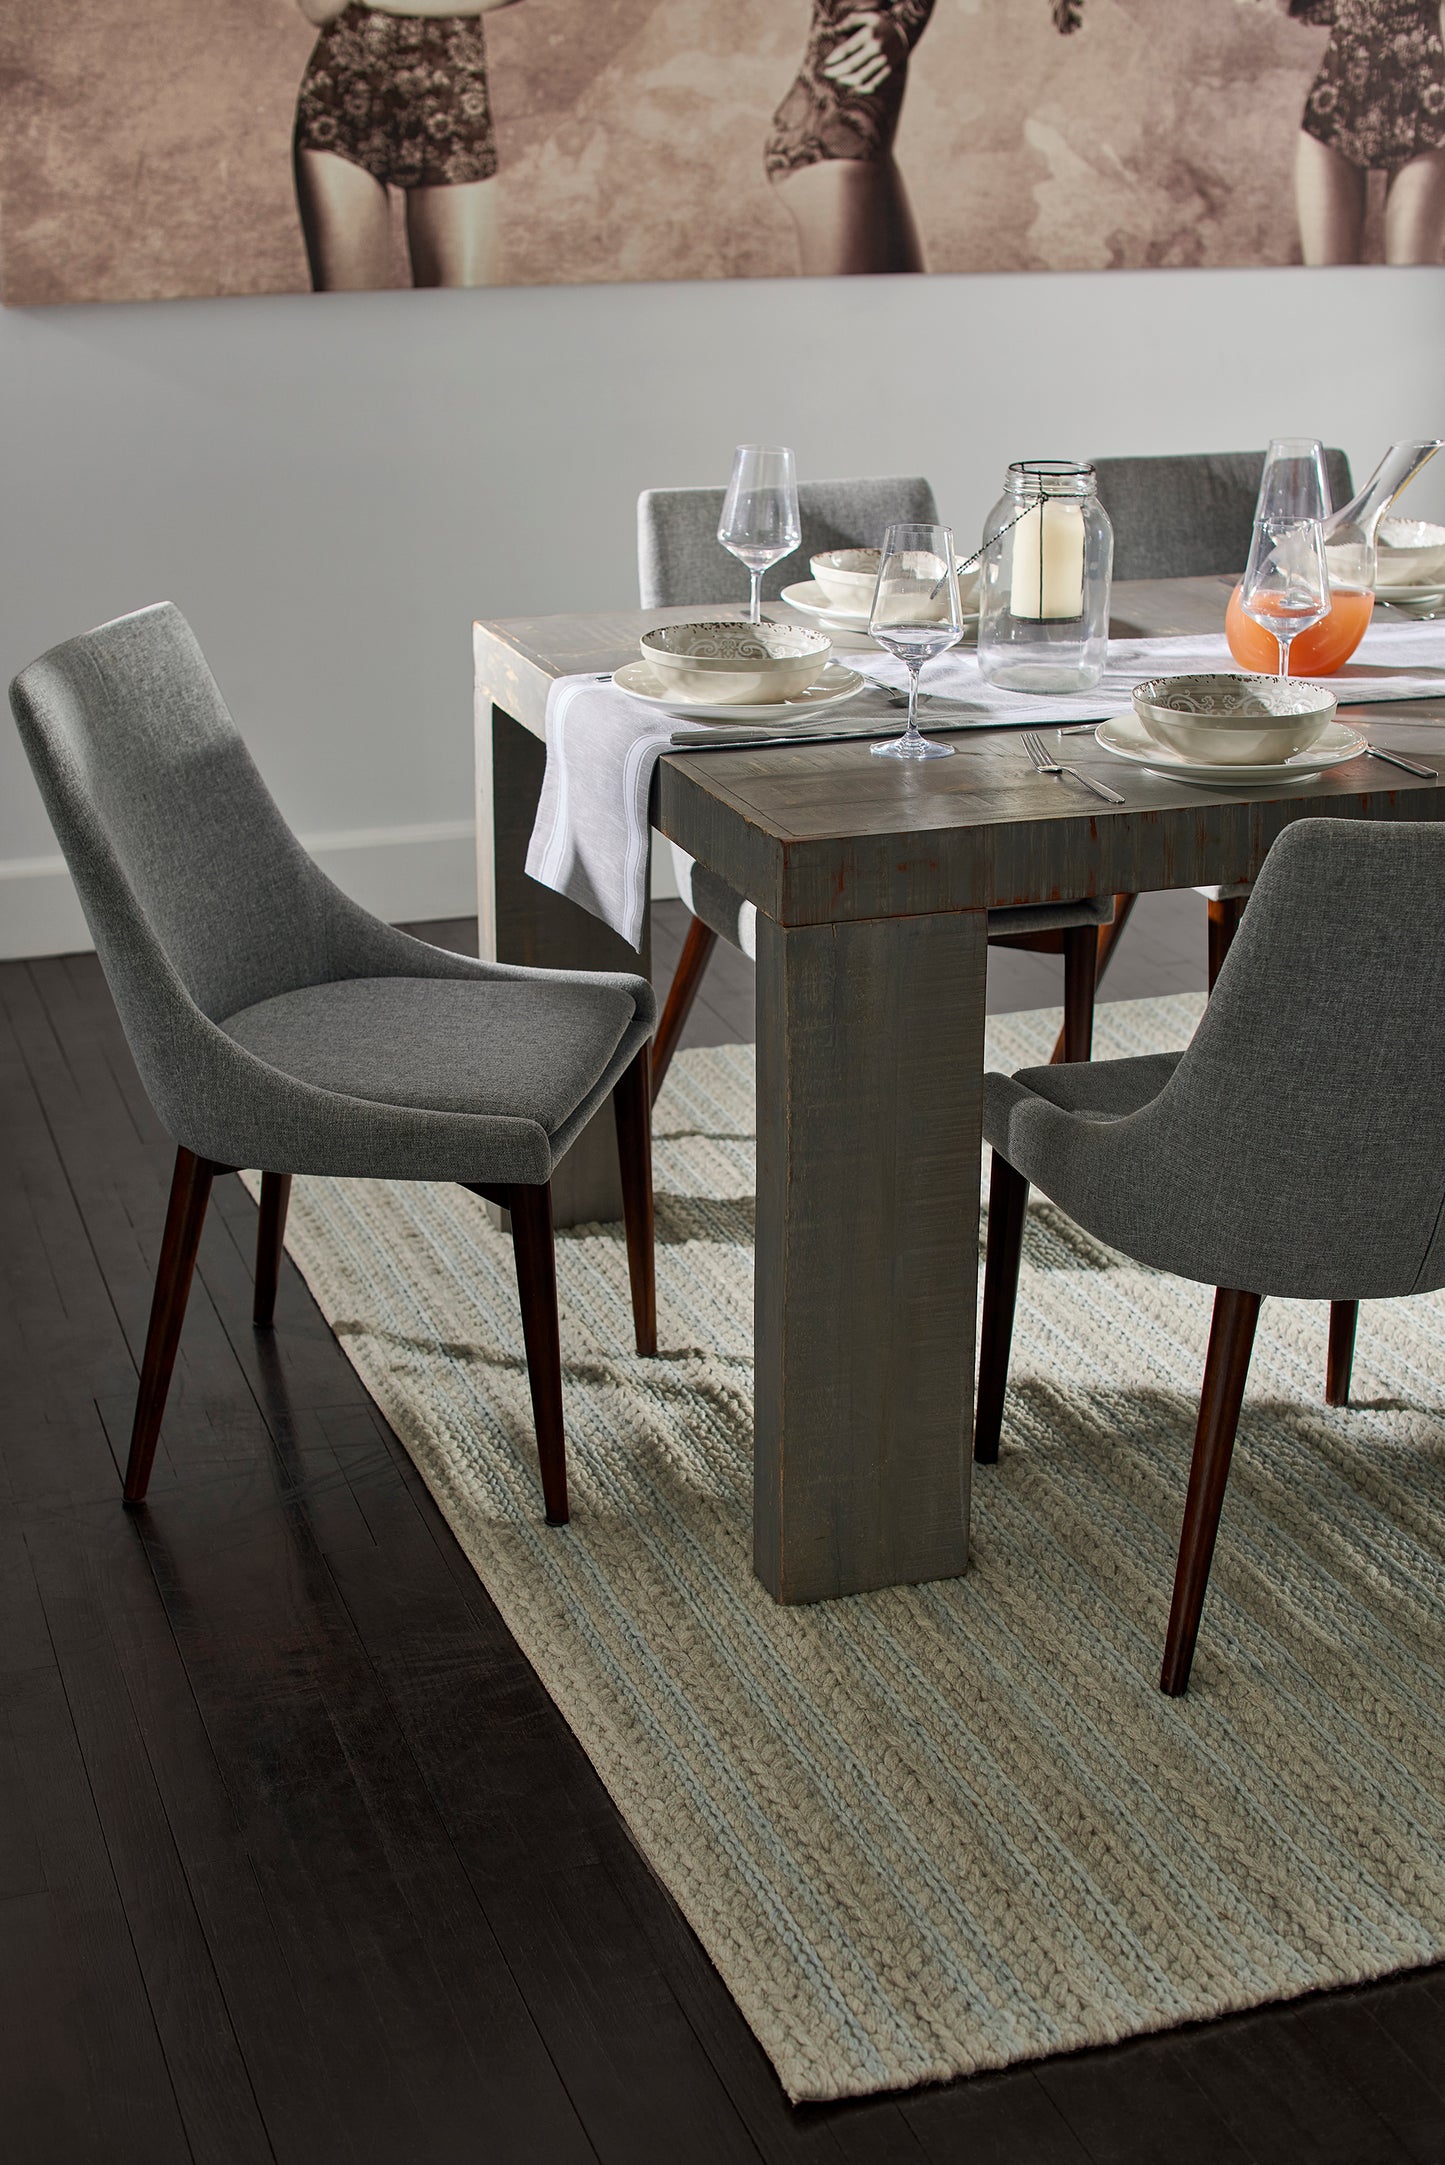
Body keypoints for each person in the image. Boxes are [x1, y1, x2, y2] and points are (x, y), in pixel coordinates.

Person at [293, 0, 521, 290]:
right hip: (343, 101)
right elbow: (319, 9)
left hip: (450, 104)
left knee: (465, 312)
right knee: (346, 315)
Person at [765, 4, 936, 274]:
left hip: (861, 144)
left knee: (909, 298)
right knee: (856, 301)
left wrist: (903, 27)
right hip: (834, 146)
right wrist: (903, 25)